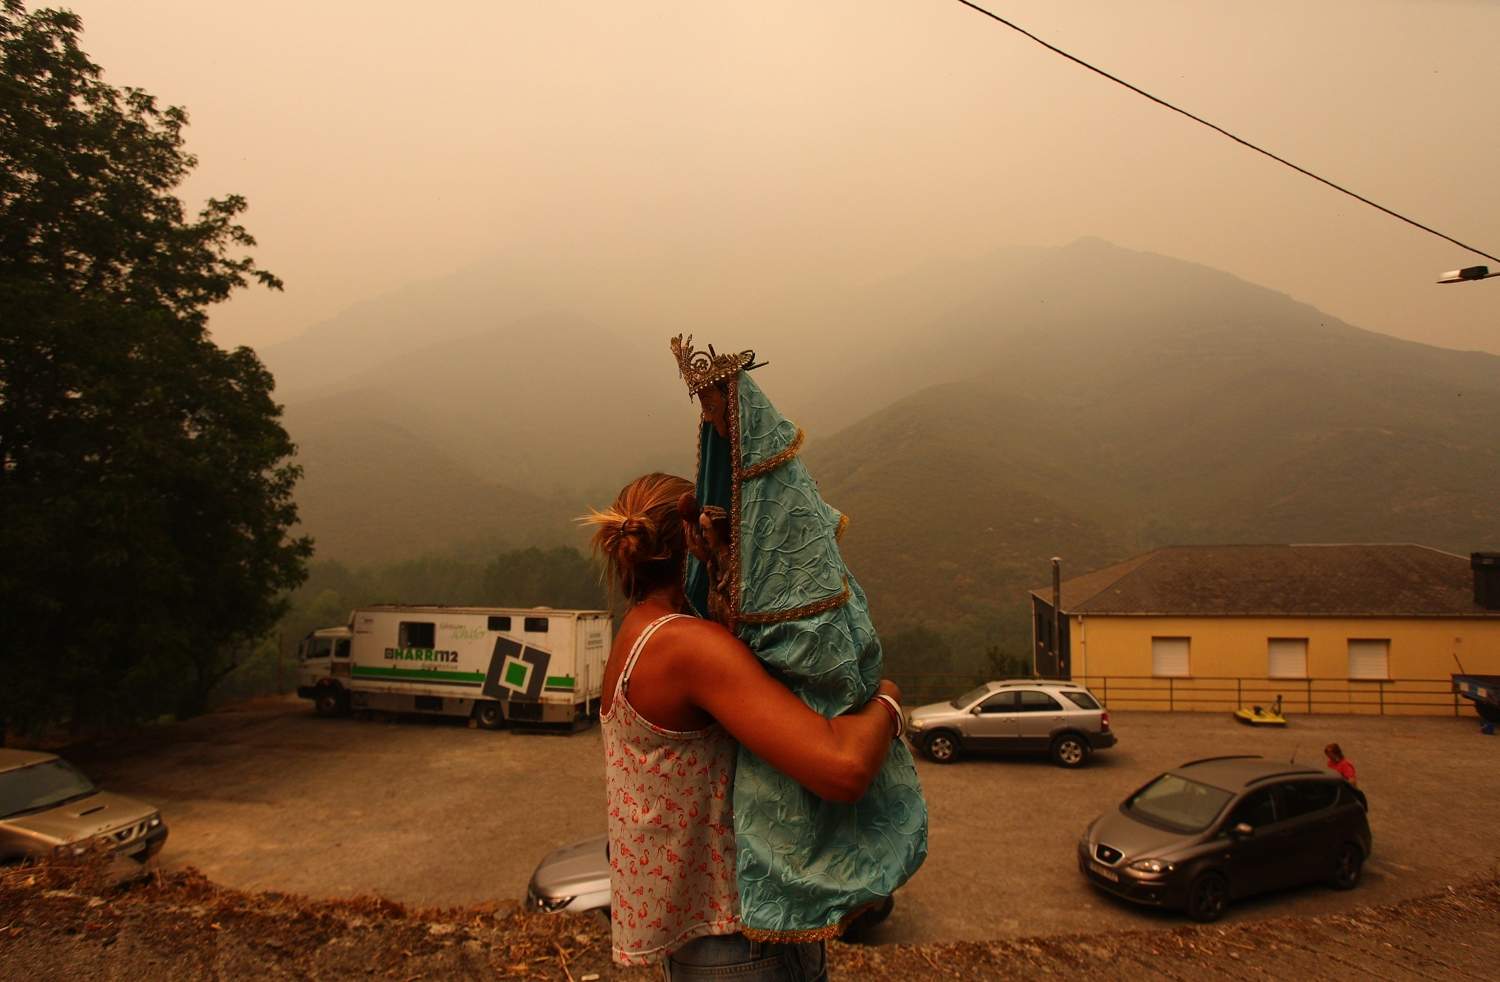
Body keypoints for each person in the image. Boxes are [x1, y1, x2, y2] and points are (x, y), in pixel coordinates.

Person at [584, 472, 905, 979]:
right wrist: (887, 700)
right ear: (692, 535)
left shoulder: (638, 634)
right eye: (716, 529)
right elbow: (843, 770)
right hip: (740, 948)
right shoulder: (687, 647)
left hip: (701, 947)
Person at [669, 336, 929, 942]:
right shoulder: (722, 495)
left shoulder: (778, 490)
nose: (709, 418)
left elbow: (803, 580)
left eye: (716, 407)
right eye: (702, 409)